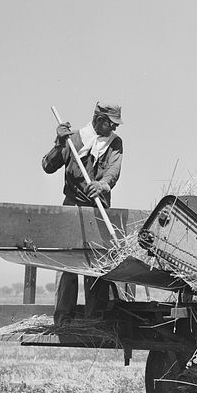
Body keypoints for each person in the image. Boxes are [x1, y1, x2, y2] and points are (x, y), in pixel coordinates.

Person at [42, 101, 124, 326]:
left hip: (98, 209)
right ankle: (63, 318)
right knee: (69, 265)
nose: (115, 128)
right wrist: (59, 144)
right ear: (99, 120)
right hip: (73, 207)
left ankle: (94, 319)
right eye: (111, 123)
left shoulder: (115, 143)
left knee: (97, 265)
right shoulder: (73, 139)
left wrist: (103, 185)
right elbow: (47, 166)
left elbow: (113, 170)